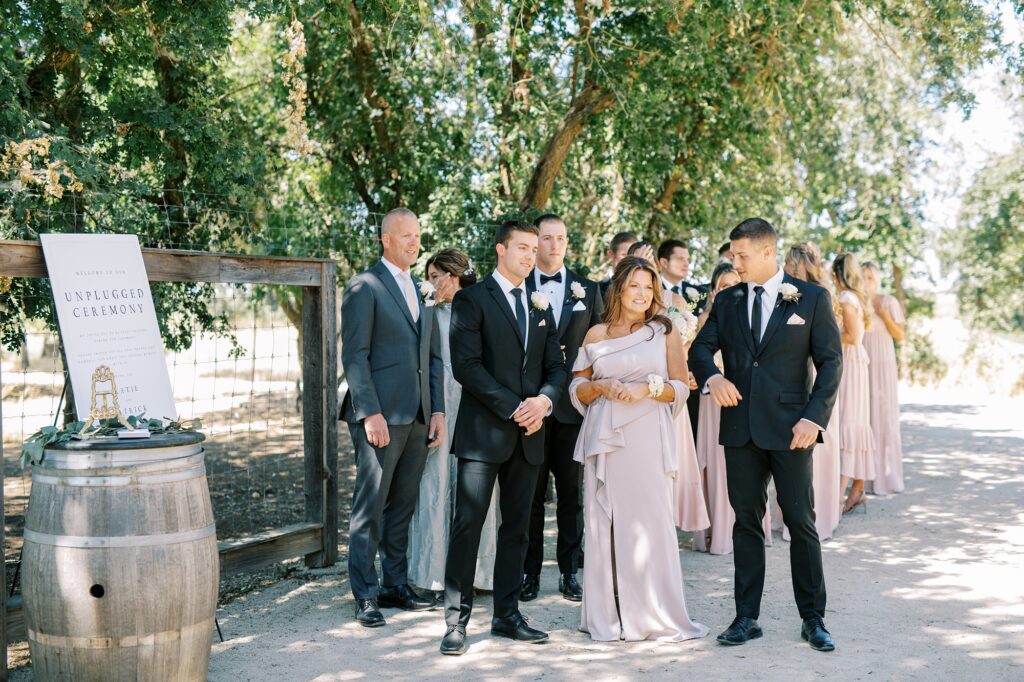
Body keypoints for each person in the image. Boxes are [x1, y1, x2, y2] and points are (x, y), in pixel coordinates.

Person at [690, 217, 842, 653]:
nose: (734, 262)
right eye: (732, 255)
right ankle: (746, 617)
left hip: (793, 430)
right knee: (745, 523)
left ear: (767, 253)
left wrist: (814, 419)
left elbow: (831, 363)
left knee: (801, 522)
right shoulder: (728, 299)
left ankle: (813, 618)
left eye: (741, 256)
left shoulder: (811, 298)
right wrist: (713, 378)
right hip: (740, 430)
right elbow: (701, 348)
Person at [440, 220, 568, 656]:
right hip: (483, 434)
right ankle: (456, 622)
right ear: (500, 249)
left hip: (530, 434)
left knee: (518, 529)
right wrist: (516, 406)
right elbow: (467, 366)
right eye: (523, 248)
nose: (531, 256)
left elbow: (556, 369)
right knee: (468, 526)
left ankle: (507, 616)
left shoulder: (541, 305)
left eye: (535, 249)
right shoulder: (472, 300)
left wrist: (545, 403)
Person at [569, 255, 708, 642]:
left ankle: (653, 613)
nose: (643, 294)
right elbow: (576, 389)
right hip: (606, 439)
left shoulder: (664, 332)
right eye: (635, 286)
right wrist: (599, 387)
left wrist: (645, 388)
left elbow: (680, 387)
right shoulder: (596, 335)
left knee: (650, 522)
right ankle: (607, 616)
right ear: (619, 289)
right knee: (604, 524)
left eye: (649, 287)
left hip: (648, 436)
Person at [340, 208, 446, 628]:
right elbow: (355, 356)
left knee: (402, 506)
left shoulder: (420, 290)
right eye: (406, 236)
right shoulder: (364, 286)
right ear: (385, 239)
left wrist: (436, 409)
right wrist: (371, 413)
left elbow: (431, 357)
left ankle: (394, 585)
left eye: (418, 236)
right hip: (380, 417)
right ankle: (365, 594)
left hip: (419, 415)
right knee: (370, 507)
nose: (414, 243)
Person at [521, 214, 604, 603]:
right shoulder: (518, 287)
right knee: (531, 494)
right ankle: (529, 572)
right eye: (547, 238)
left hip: (573, 406)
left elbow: (603, 344)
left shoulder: (588, 289)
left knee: (571, 494)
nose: (554, 245)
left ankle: (570, 571)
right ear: (535, 242)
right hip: (531, 404)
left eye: (561, 239)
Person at [408, 249, 496, 600]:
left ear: (453, 276)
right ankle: (432, 575)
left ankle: (480, 573)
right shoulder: (428, 313)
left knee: (477, 488)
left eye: (434, 277)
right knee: (435, 483)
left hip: (476, 403)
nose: (431, 284)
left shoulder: (480, 308)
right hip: (439, 405)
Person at [693, 260, 772, 555]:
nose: (729, 290)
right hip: (712, 399)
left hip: (741, 399)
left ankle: (743, 528)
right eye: (723, 286)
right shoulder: (705, 320)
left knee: (741, 466)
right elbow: (696, 353)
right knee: (713, 465)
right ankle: (714, 530)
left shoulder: (753, 315)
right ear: (715, 291)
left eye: (733, 284)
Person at [783, 243, 842, 541]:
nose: (789, 272)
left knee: (821, 450)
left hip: (818, 383)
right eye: (788, 266)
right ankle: (798, 517)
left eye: (793, 266)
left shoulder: (821, 297)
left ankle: (821, 517)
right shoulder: (785, 295)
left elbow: (830, 354)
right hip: (797, 381)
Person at [833, 253, 875, 513]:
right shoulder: (855, 298)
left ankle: (837, 497)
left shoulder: (846, 298)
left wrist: (826, 333)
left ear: (838, 274)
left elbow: (853, 336)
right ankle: (854, 489)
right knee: (853, 422)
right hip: (854, 362)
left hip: (849, 361)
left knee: (847, 423)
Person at [861, 261, 906, 495]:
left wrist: (884, 316)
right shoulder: (856, 303)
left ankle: (888, 477)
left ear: (877, 279)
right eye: (863, 276)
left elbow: (900, 335)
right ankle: (865, 477)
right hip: (863, 365)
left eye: (870, 276)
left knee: (885, 416)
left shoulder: (888, 301)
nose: (867, 280)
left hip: (884, 365)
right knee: (865, 417)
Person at [659, 238, 706, 447]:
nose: (686, 264)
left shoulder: (698, 294)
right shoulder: (649, 290)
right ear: (663, 262)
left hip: (691, 376)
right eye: (680, 259)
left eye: (688, 259)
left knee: (691, 441)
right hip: (658, 376)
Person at [598, 231, 638, 299]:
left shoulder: (644, 287)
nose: (630, 260)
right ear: (611, 255)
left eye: (633, 255)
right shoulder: (597, 290)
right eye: (624, 255)